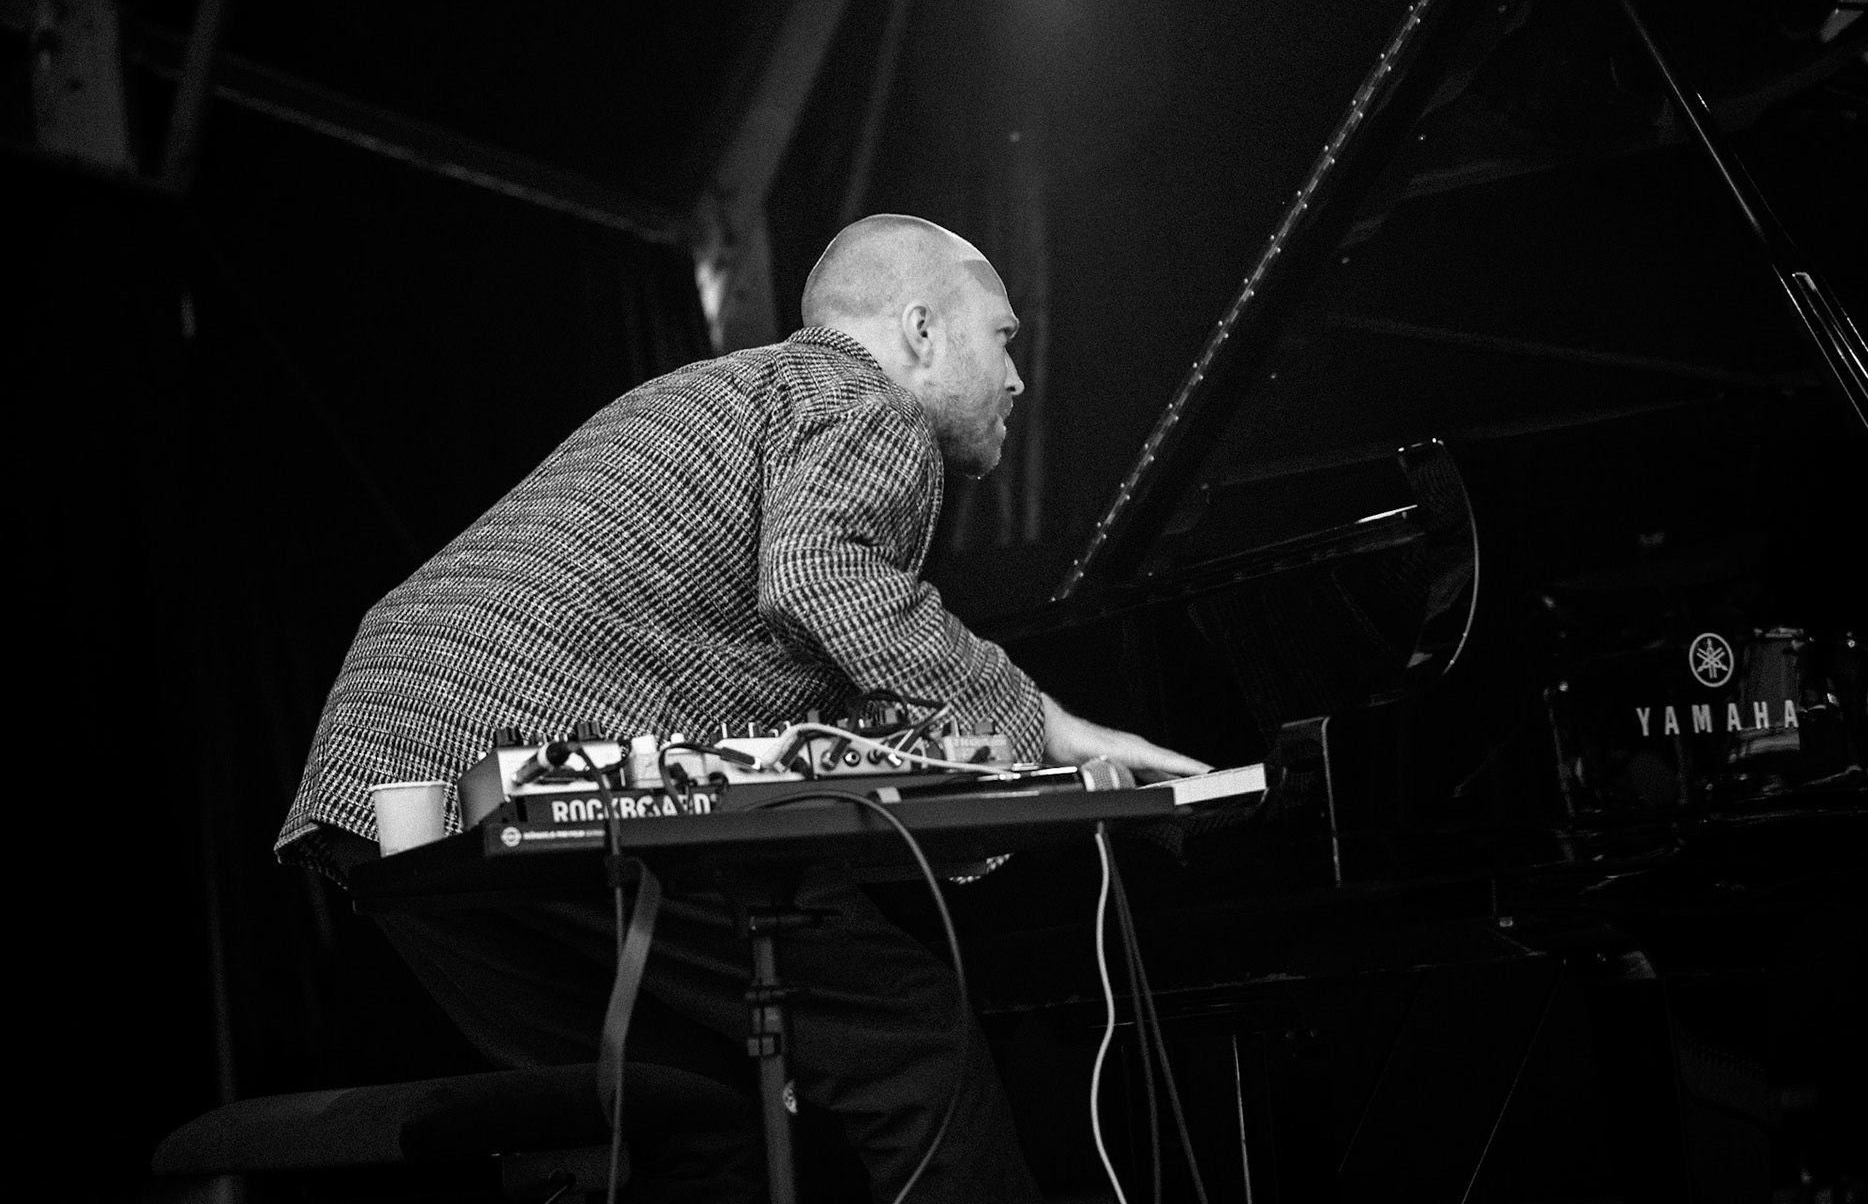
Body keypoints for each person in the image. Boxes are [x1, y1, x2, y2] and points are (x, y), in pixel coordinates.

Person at [278, 214, 1205, 1201]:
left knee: (682, 1113)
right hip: (540, 771)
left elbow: (788, 673)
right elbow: (820, 577)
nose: (1018, 379)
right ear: (921, 329)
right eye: (1004, 338)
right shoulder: (864, 400)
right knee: (911, 1041)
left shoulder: (728, 395)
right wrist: (1049, 729)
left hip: (377, 787)